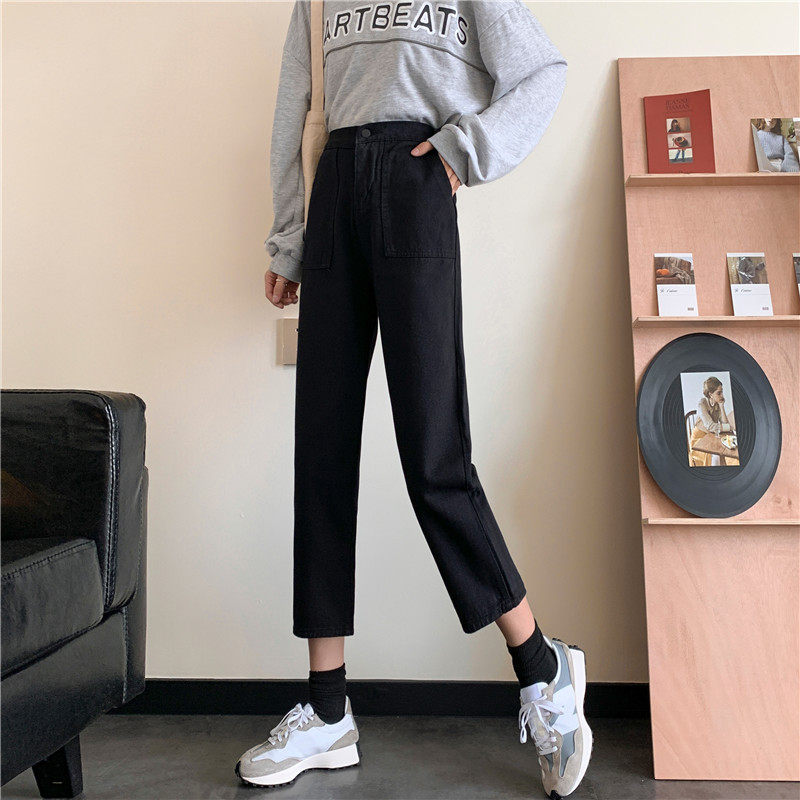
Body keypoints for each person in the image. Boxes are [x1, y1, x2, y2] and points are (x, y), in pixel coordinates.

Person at [237, 2, 592, 797]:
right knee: (321, 454)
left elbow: (542, 72)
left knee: (434, 455)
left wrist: (467, 149)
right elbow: (297, 104)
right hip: (335, 191)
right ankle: (327, 710)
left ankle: (542, 666)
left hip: (416, 176)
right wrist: (289, 236)